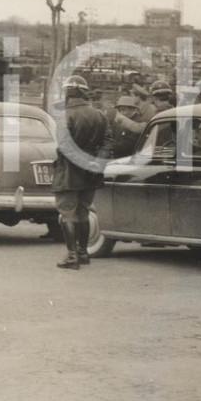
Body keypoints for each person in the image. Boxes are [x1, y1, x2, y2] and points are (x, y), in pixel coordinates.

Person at [52, 75, 112, 270]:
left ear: (68, 93)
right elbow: (108, 142)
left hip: (69, 172)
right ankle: (83, 253)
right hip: (91, 172)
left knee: (67, 214)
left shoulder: (65, 116)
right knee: (83, 212)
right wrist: (96, 162)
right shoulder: (99, 115)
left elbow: (65, 148)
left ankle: (72, 256)